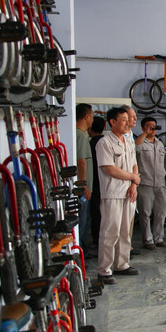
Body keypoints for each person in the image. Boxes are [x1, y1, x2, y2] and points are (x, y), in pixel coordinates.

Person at [95, 107, 141, 284]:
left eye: (128, 119)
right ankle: (104, 270)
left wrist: (134, 184)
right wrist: (133, 178)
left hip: (129, 193)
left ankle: (122, 264)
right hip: (113, 193)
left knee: (125, 232)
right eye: (123, 119)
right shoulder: (104, 143)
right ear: (112, 122)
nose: (128, 122)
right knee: (110, 232)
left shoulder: (128, 142)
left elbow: (134, 165)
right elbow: (110, 169)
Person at [135, 117, 166, 250]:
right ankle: (148, 240)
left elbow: (164, 162)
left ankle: (158, 238)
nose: (153, 128)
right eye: (149, 126)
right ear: (143, 127)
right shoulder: (141, 142)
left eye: (154, 126)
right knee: (145, 213)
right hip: (145, 183)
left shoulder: (160, 144)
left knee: (161, 212)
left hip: (160, 183)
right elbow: (135, 147)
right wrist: (145, 133)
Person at [75, 103, 94, 256]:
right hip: (82, 188)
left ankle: (83, 251)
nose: (93, 119)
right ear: (87, 117)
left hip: (82, 187)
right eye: (92, 116)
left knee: (84, 220)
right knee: (82, 222)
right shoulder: (80, 136)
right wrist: (84, 185)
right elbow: (81, 161)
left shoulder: (80, 134)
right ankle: (80, 254)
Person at [123, 106, 140, 256]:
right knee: (120, 221)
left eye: (135, 116)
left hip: (132, 181)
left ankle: (127, 247)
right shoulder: (118, 138)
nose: (135, 119)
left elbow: (134, 162)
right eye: (131, 116)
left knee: (130, 217)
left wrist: (134, 182)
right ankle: (122, 249)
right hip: (122, 183)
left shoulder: (131, 136)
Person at [88, 116, 105, 247]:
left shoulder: (91, 143)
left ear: (90, 129)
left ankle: (97, 239)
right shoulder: (106, 142)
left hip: (94, 182)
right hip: (107, 182)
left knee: (96, 213)